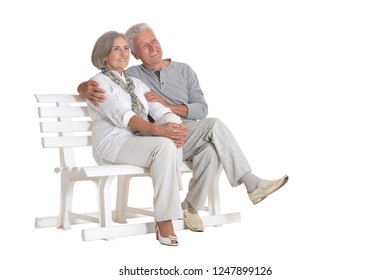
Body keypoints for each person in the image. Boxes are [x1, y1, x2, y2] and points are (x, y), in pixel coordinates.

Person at [78, 23, 288, 233]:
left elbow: (201, 109)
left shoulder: (181, 71)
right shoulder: (133, 75)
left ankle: (190, 207)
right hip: (153, 137)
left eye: (154, 40)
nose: (152, 47)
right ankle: (251, 183)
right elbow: (104, 82)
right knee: (213, 126)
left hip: (187, 135)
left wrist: (169, 108)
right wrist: (83, 88)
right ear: (136, 54)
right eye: (143, 46)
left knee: (210, 150)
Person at [87, 30, 188, 246]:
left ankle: (169, 209)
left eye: (125, 48)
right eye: (116, 49)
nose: (123, 53)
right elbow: (125, 116)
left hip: (137, 142)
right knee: (163, 145)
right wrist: (160, 130)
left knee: (170, 138)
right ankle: (165, 219)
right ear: (104, 56)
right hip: (112, 145)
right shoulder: (98, 84)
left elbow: (158, 109)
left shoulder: (136, 83)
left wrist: (175, 126)